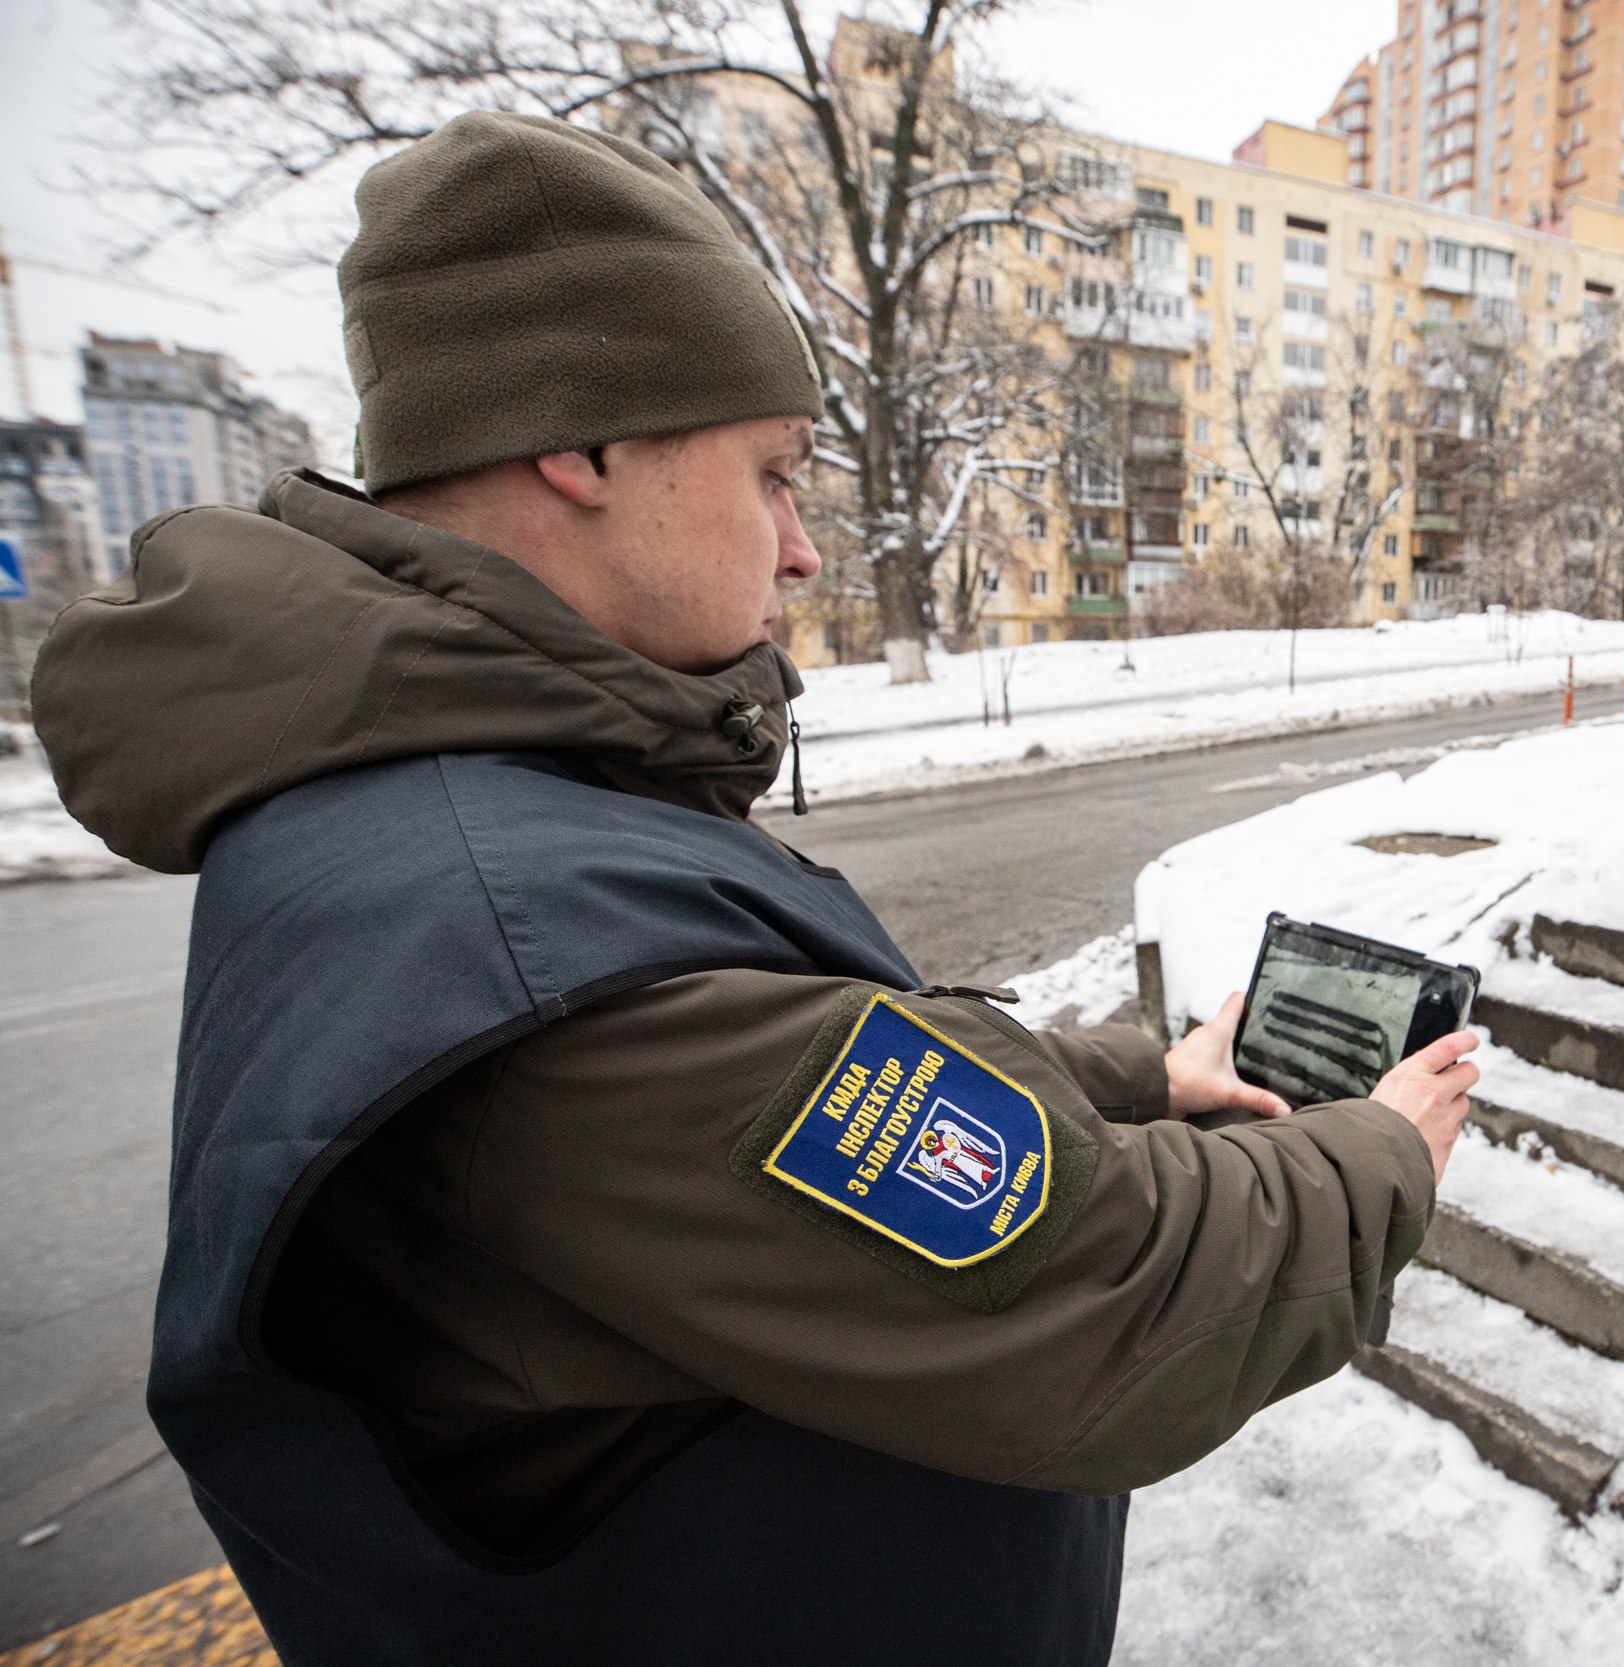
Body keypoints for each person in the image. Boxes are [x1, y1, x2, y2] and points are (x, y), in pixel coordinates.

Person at [32, 111, 1477, 1667]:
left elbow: (790, 1075)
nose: (800, 551)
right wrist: (1377, 1158)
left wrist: (1133, 1077)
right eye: (774, 475)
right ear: (580, 451)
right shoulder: (520, 942)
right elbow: (1105, 1297)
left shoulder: (463, 805)